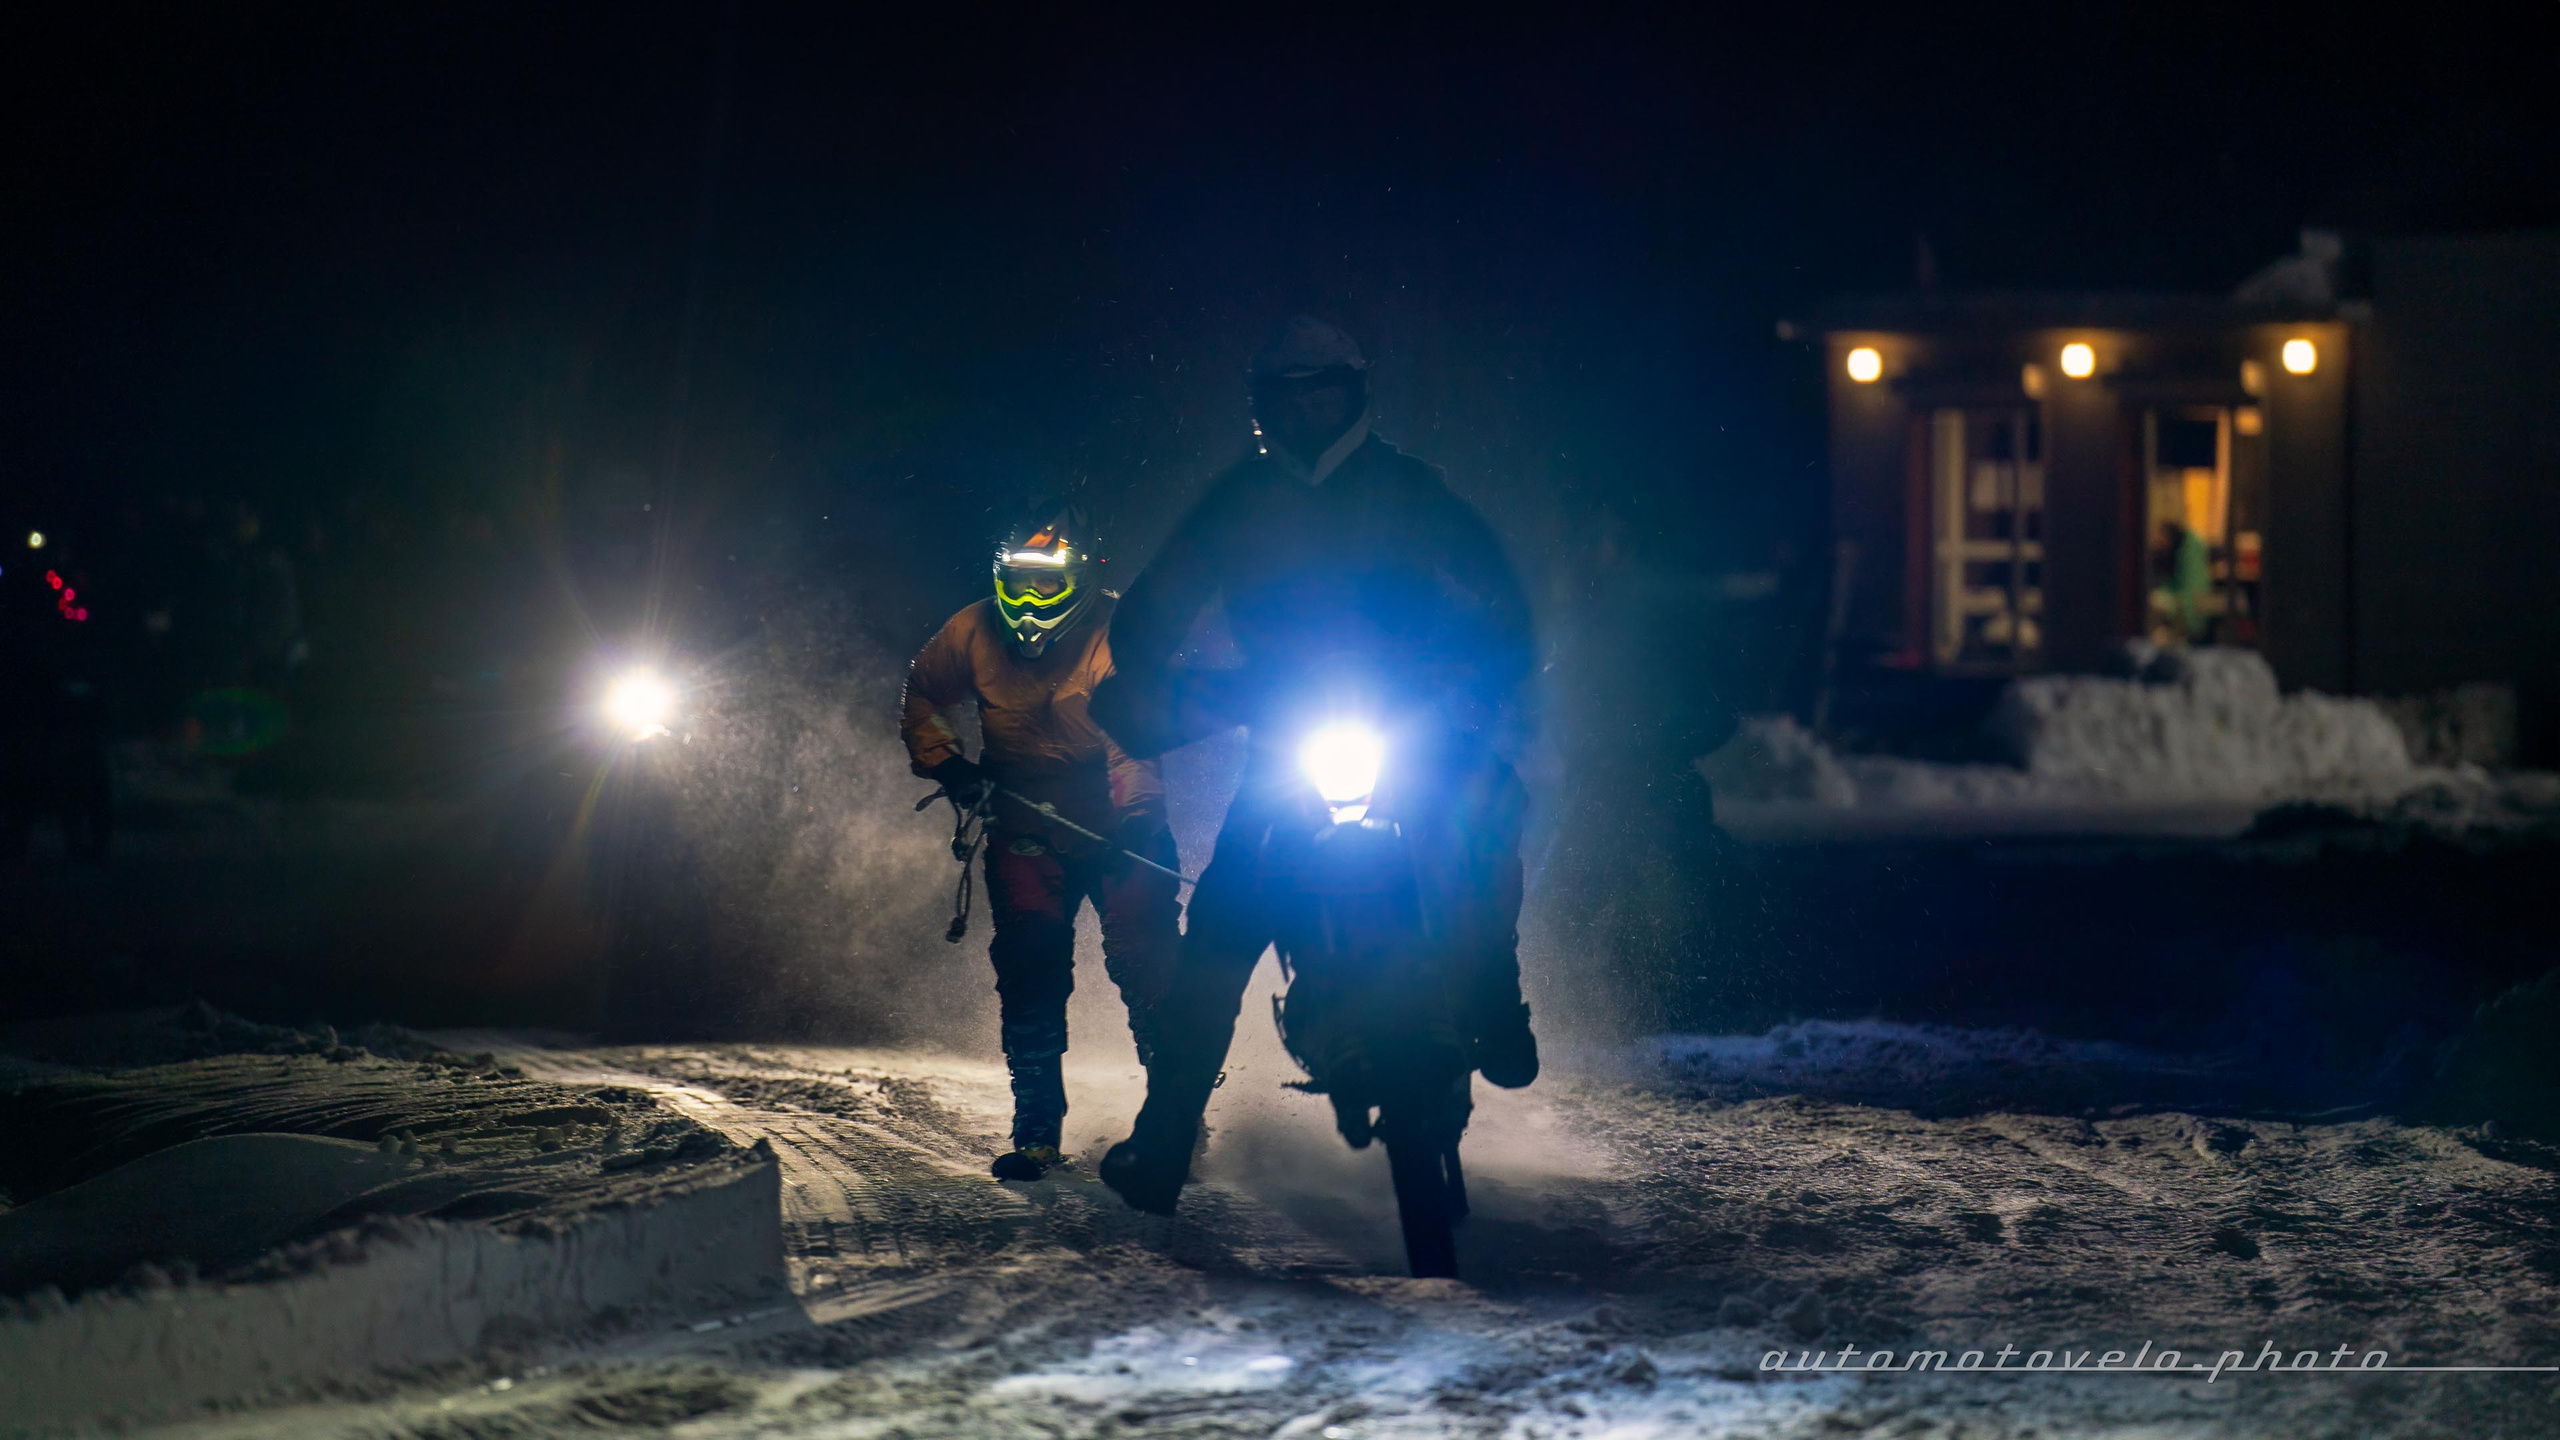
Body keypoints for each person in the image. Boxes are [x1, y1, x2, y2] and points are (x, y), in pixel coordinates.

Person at [1088, 316, 1540, 1213]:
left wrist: (1478, 659)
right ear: (1261, 405)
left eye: (1323, 389)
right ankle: (1165, 1138)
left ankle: (1494, 991)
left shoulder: (1414, 491)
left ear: (1356, 393)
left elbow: (1504, 600)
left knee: (1494, 804)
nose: (1307, 409)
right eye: (1287, 394)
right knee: (1221, 926)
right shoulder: (1236, 502)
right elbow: (1148, 617)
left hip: (1410, 726)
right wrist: (1174, 685)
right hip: (1288, 737)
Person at [900, 500, 1182, 1181]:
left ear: (1079, 581)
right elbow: (921, 695)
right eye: (1019, 580)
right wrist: (950, 764)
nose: (1030, 598)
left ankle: (1174, 1116)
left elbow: (1133, 739)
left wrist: (1134, 820)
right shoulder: (971, 629)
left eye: (1046, 584)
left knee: (1145, 959)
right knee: (1030, 967)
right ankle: (1036, 1128)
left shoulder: (1119, 632)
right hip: (1024, 823)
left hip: (1118, 823)